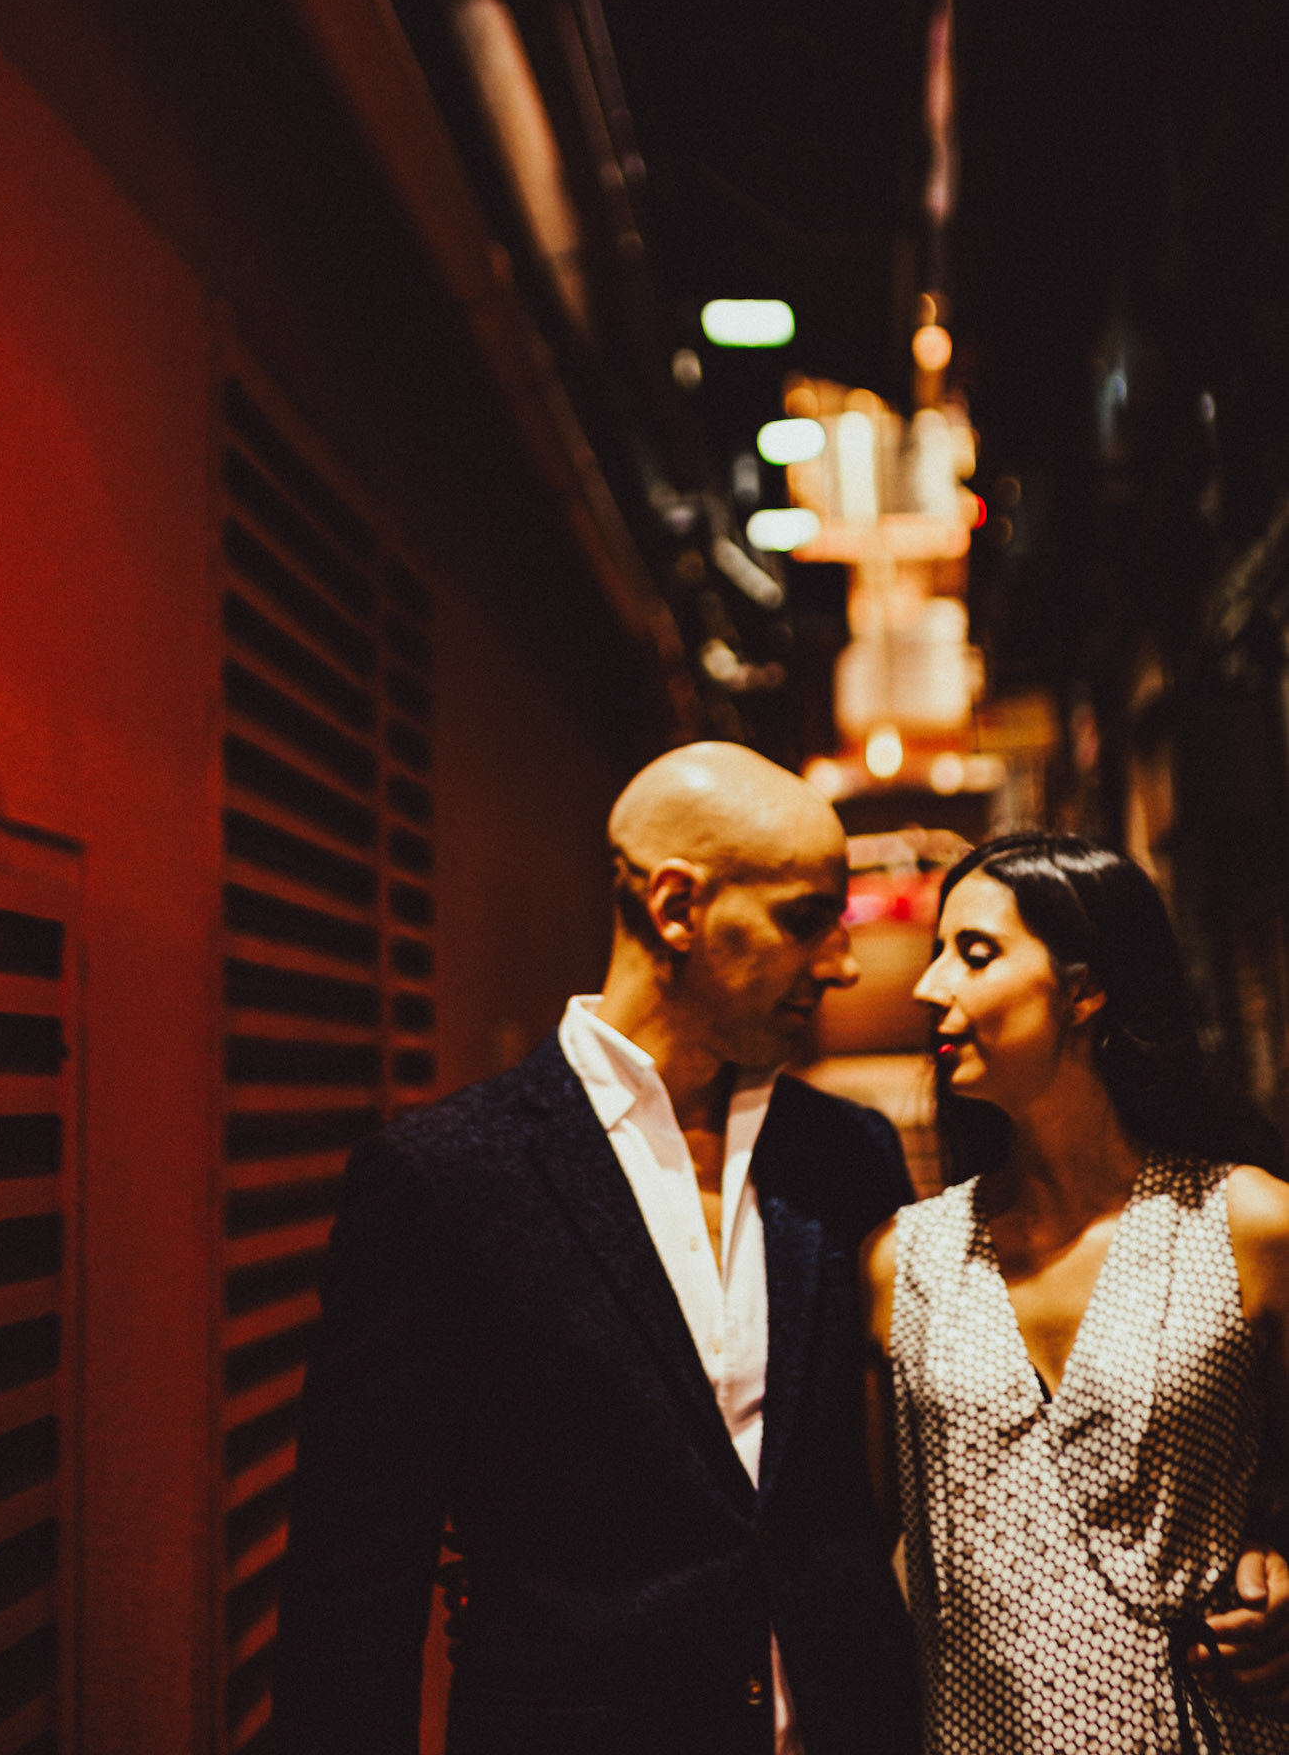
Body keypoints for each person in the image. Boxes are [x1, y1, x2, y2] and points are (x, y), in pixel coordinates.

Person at [271, 742, 920, 1755]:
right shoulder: (445, 1179)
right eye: (806, 919)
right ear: (675, 906)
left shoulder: (848, 1156)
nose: (840, 963)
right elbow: (356, 1567)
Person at [861, 831, 1289, 1754]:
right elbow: (849, 1536)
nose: (930, 986)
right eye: (938, 952)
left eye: (974, 953)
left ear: (1085, 991)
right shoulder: (908, 1264)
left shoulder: (1245, 1223)